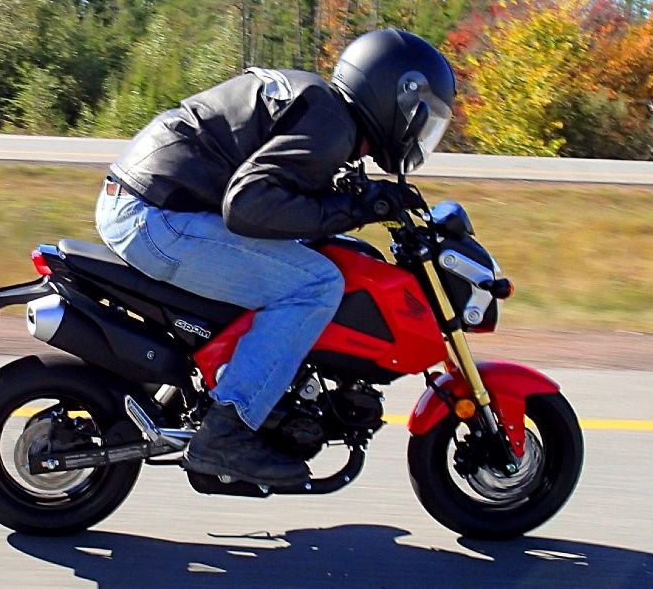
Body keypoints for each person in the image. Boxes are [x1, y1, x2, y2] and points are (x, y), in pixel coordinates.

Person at [95, 29, 456, 487]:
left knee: (302, 262)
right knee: (316, 285)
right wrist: (358, 208)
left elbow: (275, 186)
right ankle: (228, 429)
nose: (420, 132)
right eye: (423, 119)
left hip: (147, 206)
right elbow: (248, 206)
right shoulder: (332, 126)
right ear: (395, 99)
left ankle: (240, 392)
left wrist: (355, 199)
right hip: (155, 219)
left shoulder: (323, 108)